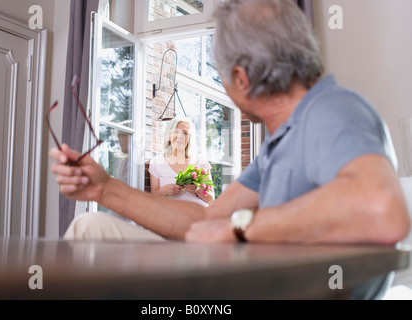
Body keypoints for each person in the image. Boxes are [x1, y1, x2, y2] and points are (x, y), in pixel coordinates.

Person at [50, 0, 409, 248]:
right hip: (251, 271)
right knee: (91, 227)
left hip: (276, 285)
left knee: (88, 232)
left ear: (241, 78)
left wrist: (241, 229)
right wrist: (106, 189)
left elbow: (383, 211)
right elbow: (209, 219)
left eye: (220, 75)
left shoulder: (332, 110)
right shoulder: (281, 140)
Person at [149, 117, 214, 206]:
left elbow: (211, 200)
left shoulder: (200, 161)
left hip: (199, 214)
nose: (180, 136)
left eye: (185, 133)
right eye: (176, 131)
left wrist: (197, 190)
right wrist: (163, 191)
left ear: (189, 138)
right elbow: (152, 200)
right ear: (169, 134)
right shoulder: (157, 162)